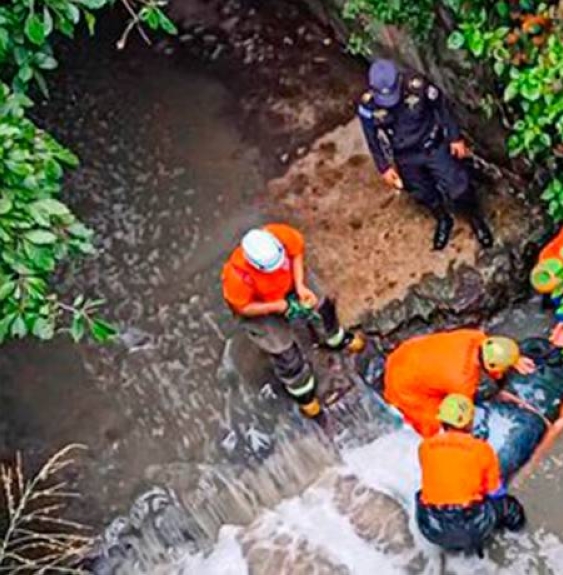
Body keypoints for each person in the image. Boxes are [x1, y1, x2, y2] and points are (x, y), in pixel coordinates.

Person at [357, 59, 494, 251]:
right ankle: (443, 219)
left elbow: (442, 108)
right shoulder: (368, 106)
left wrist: (455, 137)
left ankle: (475, 219)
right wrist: (384, 167)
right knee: (422, 192)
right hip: (405, 155)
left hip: (432, 145)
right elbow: (371, 138)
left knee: (458, 188)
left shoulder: (417, 86)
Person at [221, 223, 355, 419]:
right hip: (261, 307)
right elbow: (244, 308)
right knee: (281, 347)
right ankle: (305, 395)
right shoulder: (236, 279)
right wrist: (280, 306)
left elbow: (296, 253)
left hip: (290, 283)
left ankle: (335, 338)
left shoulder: (280, 235)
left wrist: (300, 286)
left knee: (321, 303)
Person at [415, 394, 526, 556]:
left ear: (442, 420)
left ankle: (449, 545)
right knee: (509, 506)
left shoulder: (424, 447)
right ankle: (518, 534)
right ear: (469, 422)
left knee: (421, 493)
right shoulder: (482, 450)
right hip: (472, 527)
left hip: (431, 527)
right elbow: (495, 491)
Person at [383, 329, 536, 437]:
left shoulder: (474, 336)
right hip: (403, 386)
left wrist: (513, 358)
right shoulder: (462, 381)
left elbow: (493, 354)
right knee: (434, 427)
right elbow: (462, 415)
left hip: (404, 355)